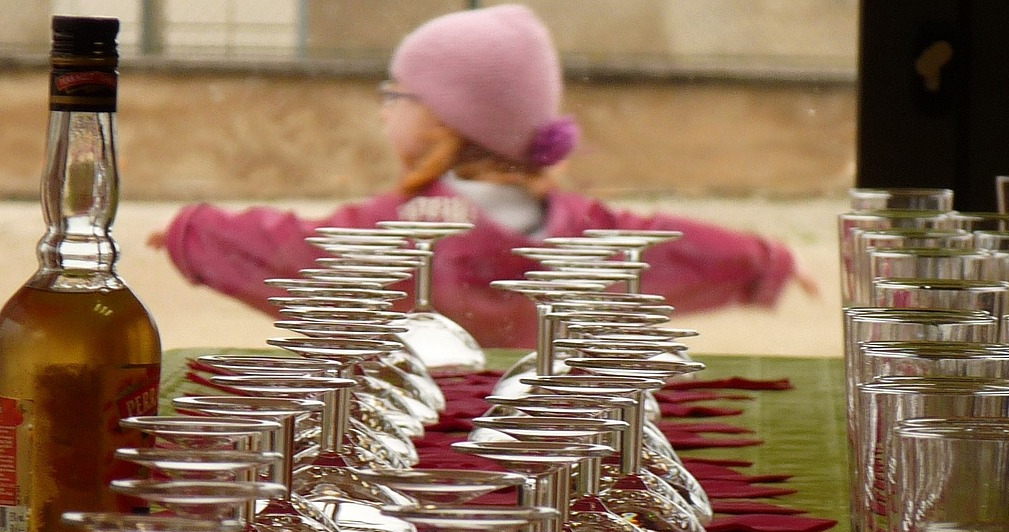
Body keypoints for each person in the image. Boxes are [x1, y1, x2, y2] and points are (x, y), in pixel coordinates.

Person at [150, 3, 818, 348]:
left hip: (420, 451)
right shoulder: (587, 231)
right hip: (545, 436)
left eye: (397, 95)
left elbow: (295, 251)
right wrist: (763, 261)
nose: (384, 109)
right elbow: (671, 249)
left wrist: (195, 233)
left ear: (445, 120)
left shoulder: (395, 231)